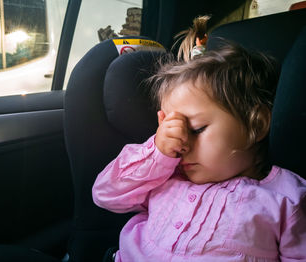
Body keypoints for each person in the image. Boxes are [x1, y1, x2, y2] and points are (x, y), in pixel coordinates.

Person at [92, 43, 306, 261]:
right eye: (173, 130)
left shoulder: (286, 198)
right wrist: (158, 150)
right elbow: (105, 195)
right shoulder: (164, 176)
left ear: (256, 124)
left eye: (196, 130)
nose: (181, 144)